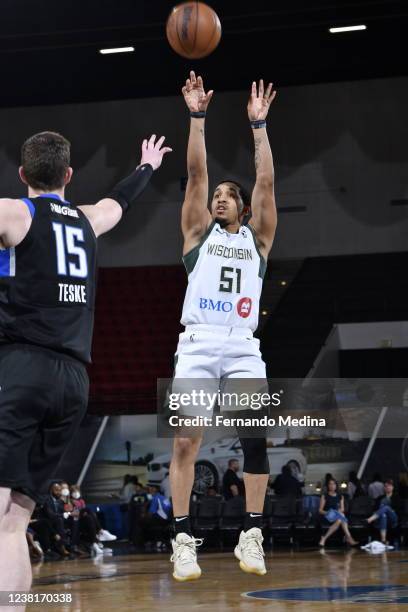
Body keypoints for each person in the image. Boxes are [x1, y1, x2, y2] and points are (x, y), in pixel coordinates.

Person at [0, 130, 171, 592]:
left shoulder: (15, 212)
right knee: (14, 521)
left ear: (22, 174)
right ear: (69, 175)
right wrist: (147, 166)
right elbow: (119, 203)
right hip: (75, 381)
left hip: (23, 367)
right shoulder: (86, 219)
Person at [169, 72, 277, 581]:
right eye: (216, 195)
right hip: (197, 344)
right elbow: (194, 175)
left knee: (255, 440)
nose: (218, 198)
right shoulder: (197, 236)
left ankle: (252, 535)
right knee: (187, 441)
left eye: (228, 195)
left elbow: (267, 183)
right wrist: (197, 119)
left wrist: (259, 129)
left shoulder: (257, 243)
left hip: (242, 347)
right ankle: (182, 539)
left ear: (244, 209)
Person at [319, 478, 358, 548]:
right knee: (342, 517)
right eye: (330, 484)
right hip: (327, 515)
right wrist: (328, 512)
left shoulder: (340, 496)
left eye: (333, 484)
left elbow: (342, 509)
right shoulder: (324, 496)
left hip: (337, 515)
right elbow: (320, 510)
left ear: (336, 485)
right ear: (328, 486)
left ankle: (324, 539)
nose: (332, 486)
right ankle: (349, 538)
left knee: (340, 517)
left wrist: (338, 511)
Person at [366, 479, 401, 544]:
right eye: (386, 486)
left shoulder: (397, 498)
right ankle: (383, 540)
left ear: (393, 487)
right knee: (383, 515)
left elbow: (399, 510)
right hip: (381, 519)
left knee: (386, 508)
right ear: (384, 488)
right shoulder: (380, 498)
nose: (387, 487)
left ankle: (370, 519)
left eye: (389, 486)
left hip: (393, 518)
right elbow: (375, 509)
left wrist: (390, 510)